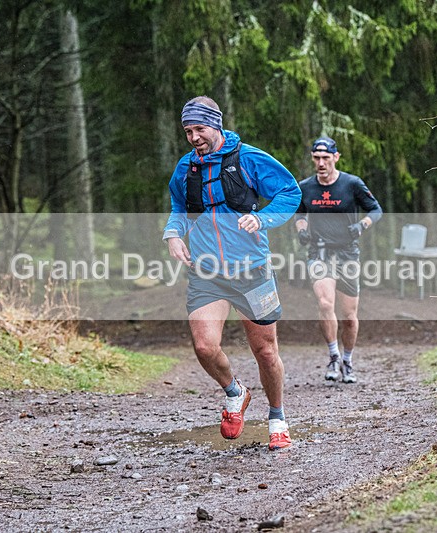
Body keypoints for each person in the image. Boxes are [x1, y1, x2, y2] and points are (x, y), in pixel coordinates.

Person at [163, 96, 301, 451]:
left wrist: (263, 218)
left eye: (200, 129)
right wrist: (174, 235)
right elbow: (179, 207)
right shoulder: (185, 169)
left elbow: (290, 192)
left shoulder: (249, 159)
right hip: (207, 272)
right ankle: (235, 393)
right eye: (188, 131)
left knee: (265, 351)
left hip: (251, 269)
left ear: (217, 125)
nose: (194, 137)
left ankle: (277, 418)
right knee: (205, 347)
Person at [295, 136, 382, 383]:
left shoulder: (352, 184)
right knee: (325, 304)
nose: (321, 163)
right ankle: (333, 356)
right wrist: (302, 230)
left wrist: (361, 225)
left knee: (349, 317)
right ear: (312, 158)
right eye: (316, 158)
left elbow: (376, 210)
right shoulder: (306, 187)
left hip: (347, 252)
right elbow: (300, 214)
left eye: (325, 158)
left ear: (336, 157)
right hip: (319, 252)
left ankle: (348, 360)